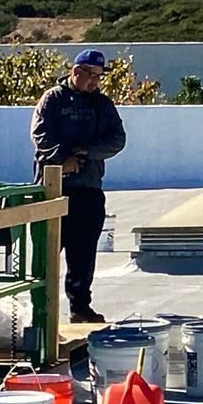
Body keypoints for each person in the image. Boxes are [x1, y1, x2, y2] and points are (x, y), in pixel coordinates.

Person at [32, 48, 127, 324]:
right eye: (91, 76)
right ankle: (41, 313)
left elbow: (117, 139)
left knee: (83, 254)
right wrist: (64, 160)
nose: (95, 82)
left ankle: (80, 307)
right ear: (76, 72)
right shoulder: (53, 99)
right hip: (53, 190)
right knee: (46, 255)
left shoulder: (103, 105)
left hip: (88, 190)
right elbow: (40, 135)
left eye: (99, 77)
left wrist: (87, 151)